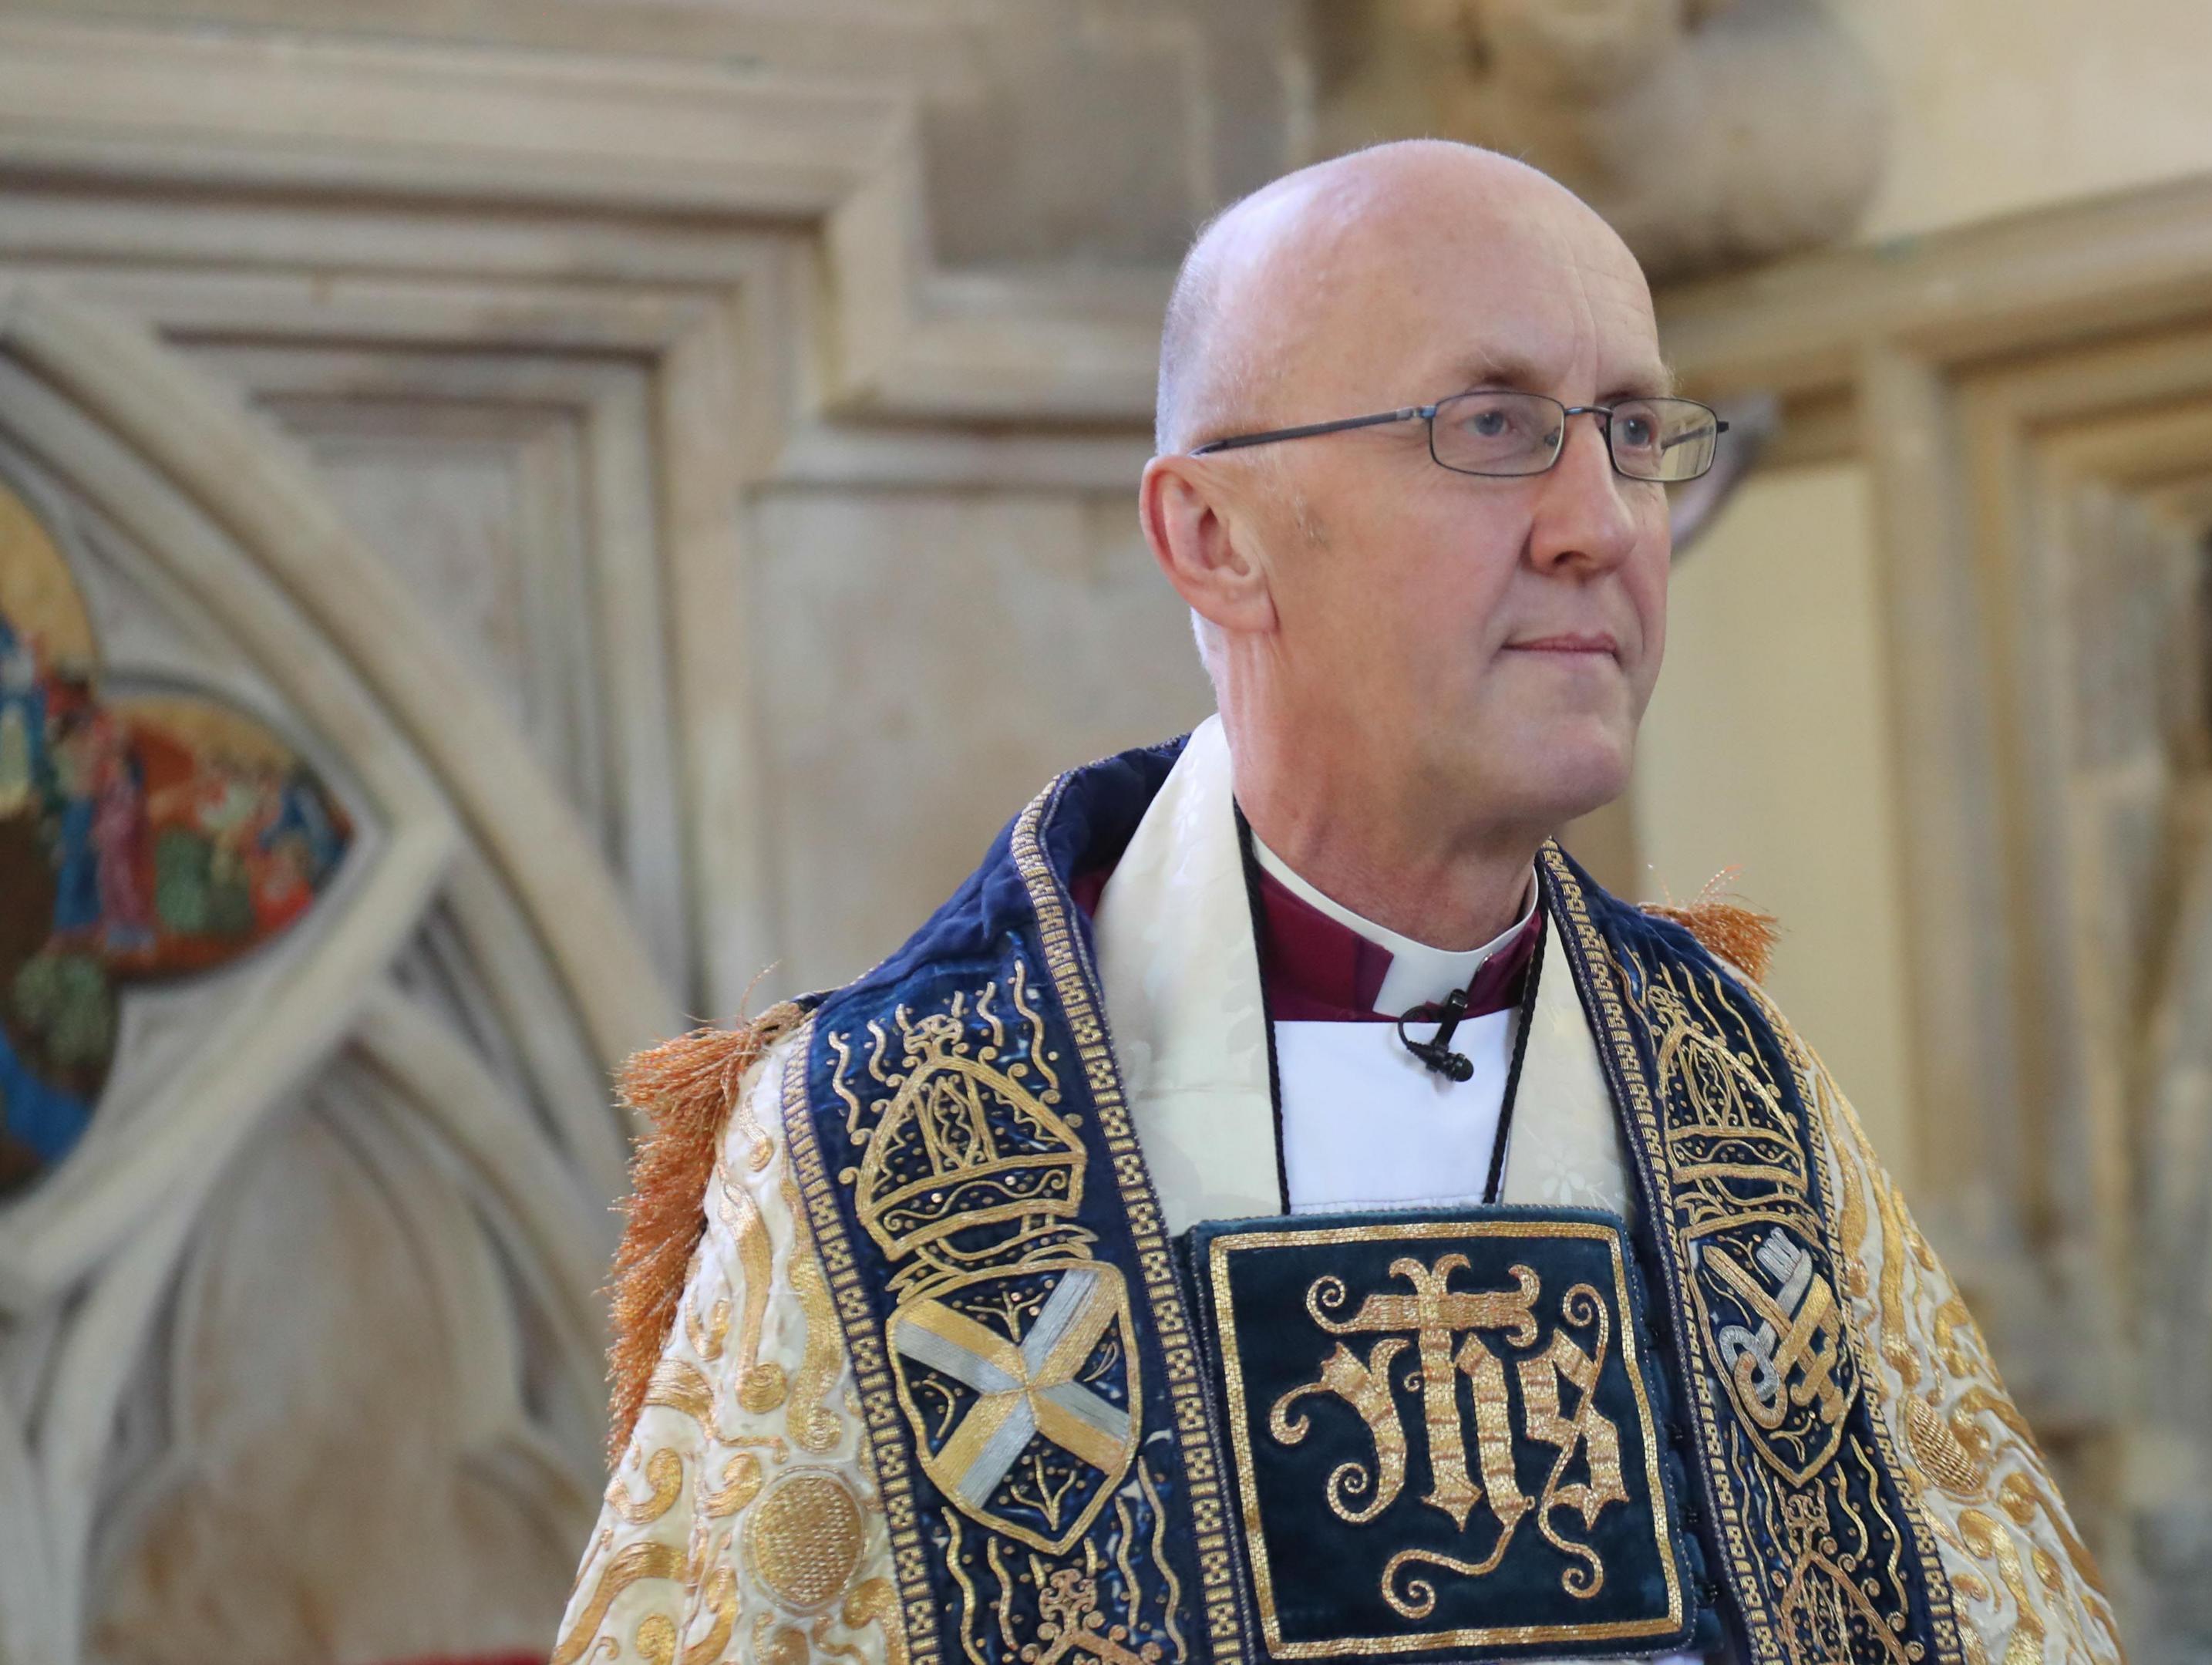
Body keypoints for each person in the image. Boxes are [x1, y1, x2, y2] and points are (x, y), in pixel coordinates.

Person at [554, 140, 2117, 1665]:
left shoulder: (1745, 1109)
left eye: (1633, 432)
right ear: (1213, 535)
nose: (1601, 524)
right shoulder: (899, 1149)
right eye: (1495, 426)